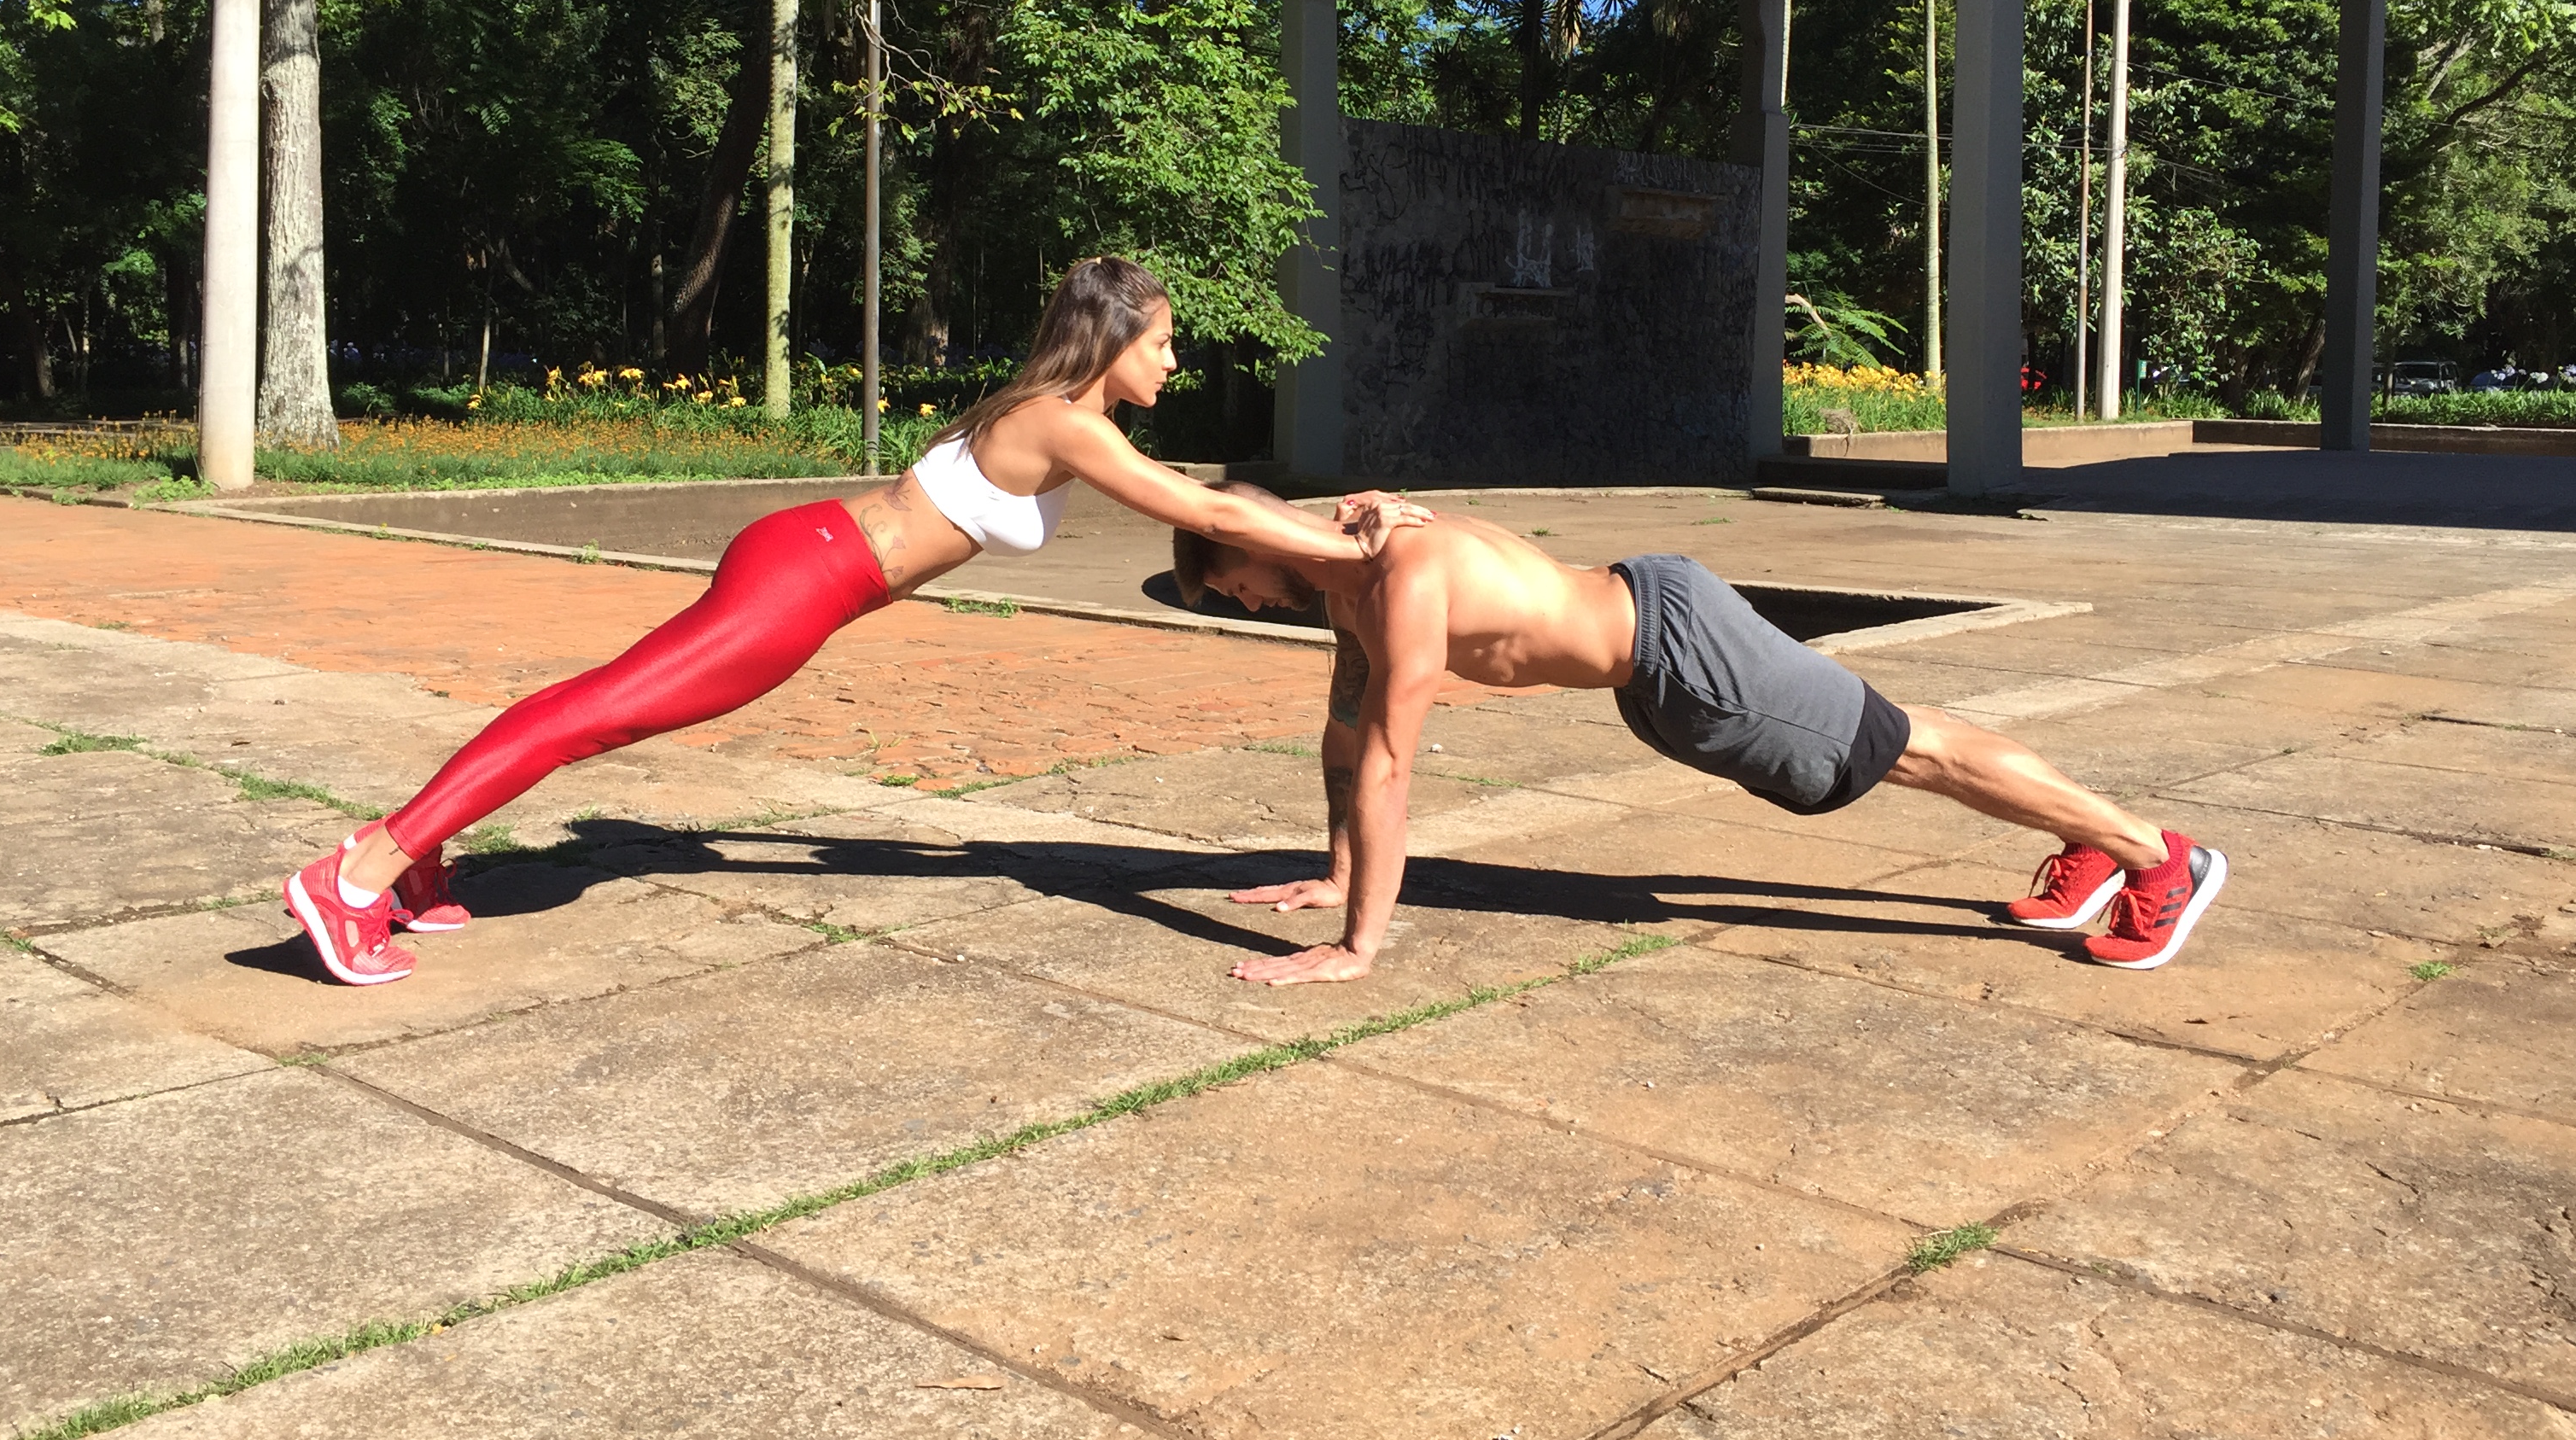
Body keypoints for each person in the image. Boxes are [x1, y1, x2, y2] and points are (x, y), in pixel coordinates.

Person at [283, 259, 1431, 986]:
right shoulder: (1065, 421)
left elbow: (1200, 491)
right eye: (1163, 342)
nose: (1174, 359)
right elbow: (1184, 504)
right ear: (1110, 342)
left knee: (599, 707)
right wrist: (1348, 551)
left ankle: (413, 859)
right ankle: (358, 871)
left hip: (809, 561)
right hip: (806, 581)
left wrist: (1343, 516)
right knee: (599, 716)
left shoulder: (1066, 416)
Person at [1171, 485, 2227, 986]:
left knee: (1907, 751)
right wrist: (1334, 876)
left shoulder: (1400, 575)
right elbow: (1347, 741)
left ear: (1252, 543)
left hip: (1680, 647)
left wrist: (1359, 946)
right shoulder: (1355, 576)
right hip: (1656, 657)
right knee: (1910, 739)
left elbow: (1394, 767)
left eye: (1236, 588)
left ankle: (2158, 859)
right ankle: (2099, 838)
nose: (1249, 605)